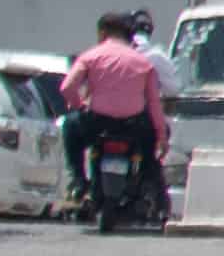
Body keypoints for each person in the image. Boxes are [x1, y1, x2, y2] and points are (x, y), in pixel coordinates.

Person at [63, 11, 171, 213]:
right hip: (133, 125)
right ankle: (149, 183)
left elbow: (67, 88)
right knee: (149, 151)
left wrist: (79, 106)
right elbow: (155, 104)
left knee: (69, 124)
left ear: (102, 33)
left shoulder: (90, 56)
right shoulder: (143, 63)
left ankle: (77, 179)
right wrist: (162, 137)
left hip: (97, 123)